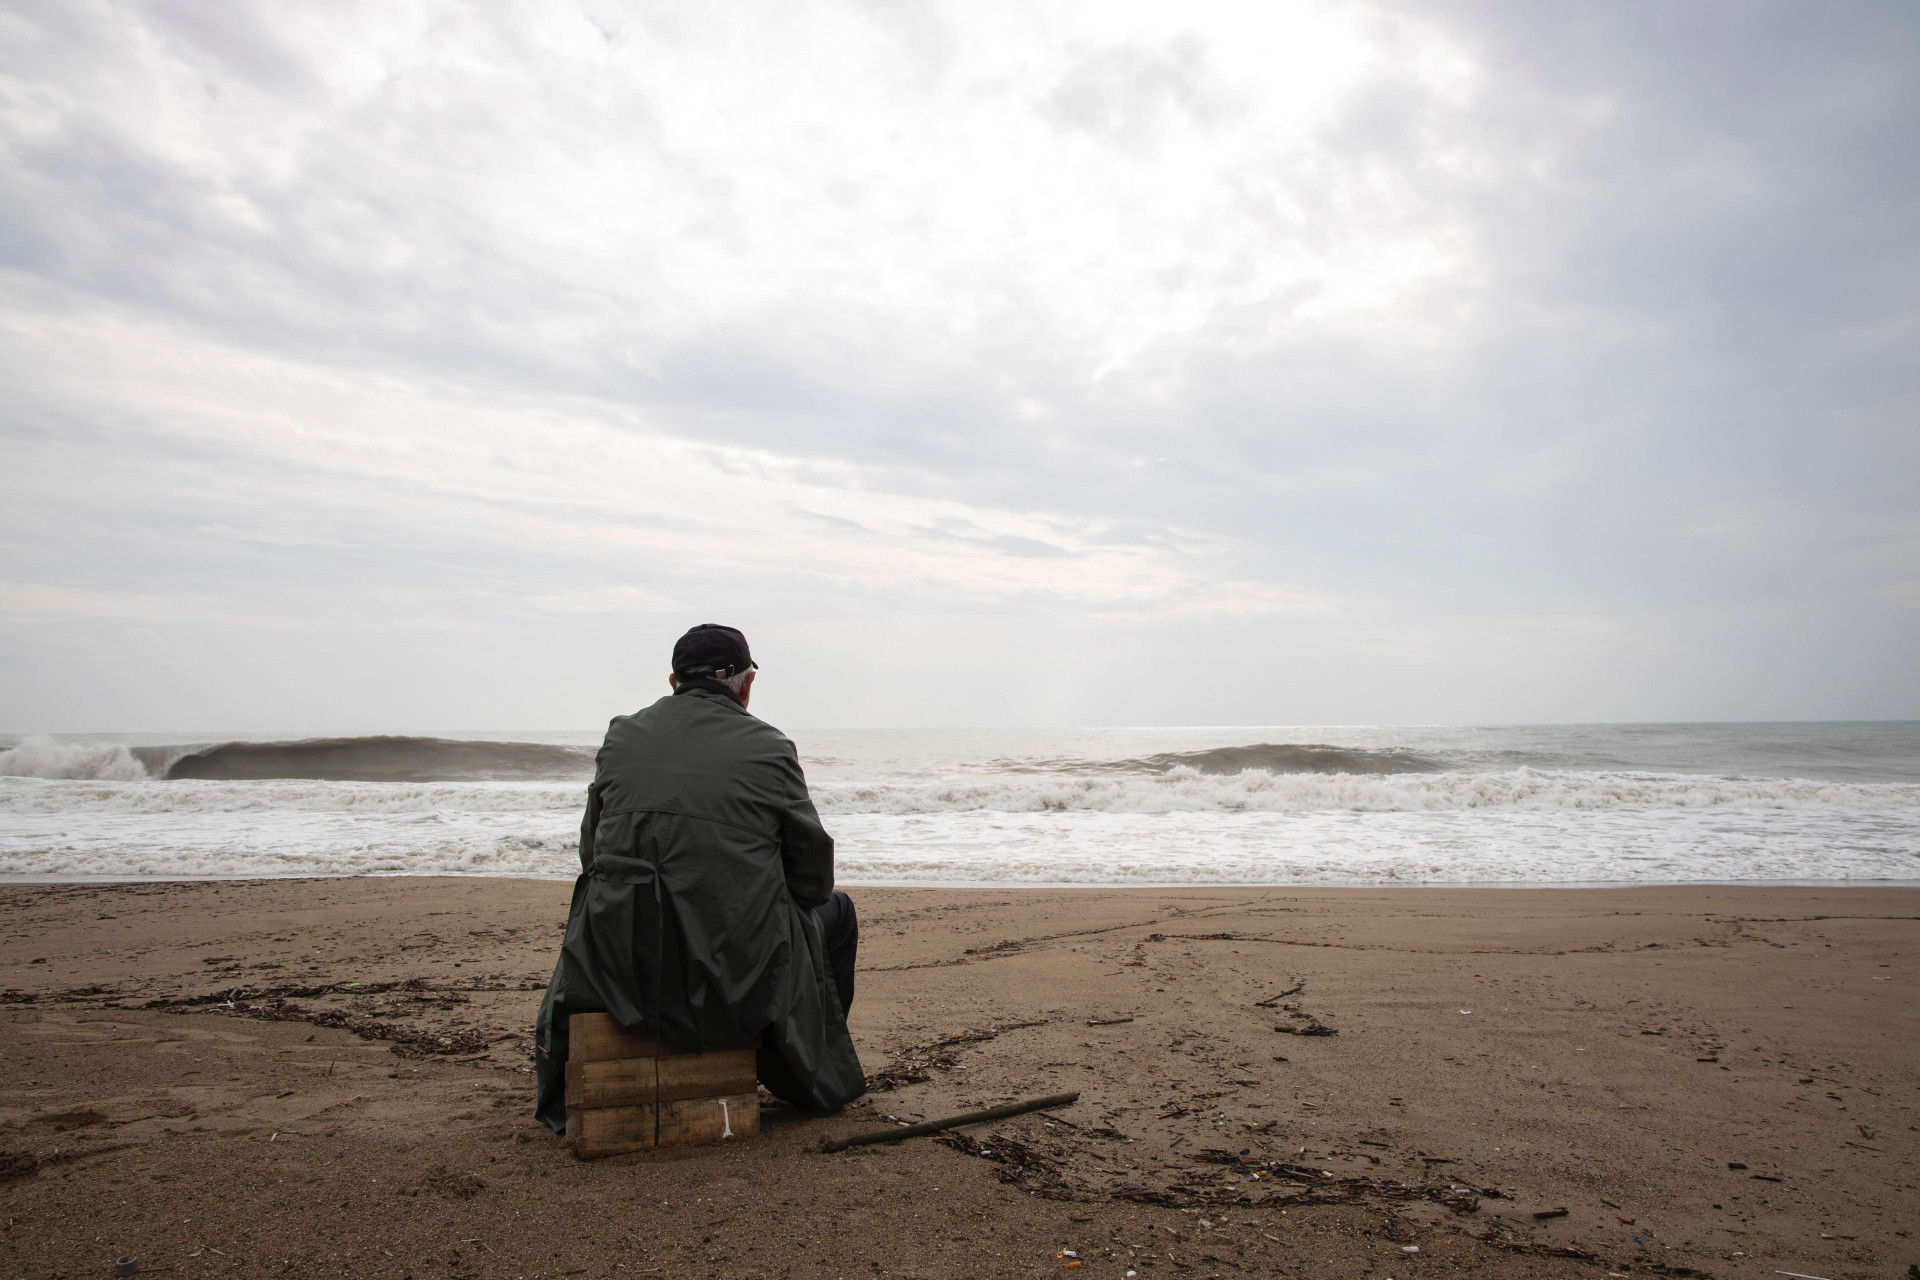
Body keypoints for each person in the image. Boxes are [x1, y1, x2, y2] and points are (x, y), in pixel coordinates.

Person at [533, 623, 865, 1132]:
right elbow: (813, 880)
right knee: (836, 914)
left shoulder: (620, 734)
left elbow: (591, 854)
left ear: (673, 681)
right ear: (747, 684)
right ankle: (801, 1071)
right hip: (729, 976)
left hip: (616, 967)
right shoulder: (770, 746)